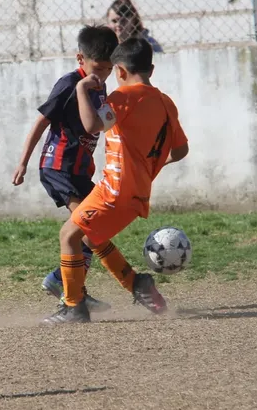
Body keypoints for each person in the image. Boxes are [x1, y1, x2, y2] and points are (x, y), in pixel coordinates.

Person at [43, 38, 189, 325]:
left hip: (113, 190)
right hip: (138, 196)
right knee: (90, 236)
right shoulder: (166, 103)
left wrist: (81, 89)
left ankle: (73, 307)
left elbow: (92, 125)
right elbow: (181, 150)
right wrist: (150, 166)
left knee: (68, 236)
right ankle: (138, 284)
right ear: (151, 69)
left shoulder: (123, 98)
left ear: (119, 71)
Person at [12, 25, 119, 312]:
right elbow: (41, 122)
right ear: (80, 58)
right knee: (87, 227)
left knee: (93, 228)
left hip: (79, 171)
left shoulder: (99, 86)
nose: (103, 74)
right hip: (58, 167)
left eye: (109, 69)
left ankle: (66, 283)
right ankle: (69, 291)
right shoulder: (69, 84)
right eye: (98, 68)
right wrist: (23, 162)